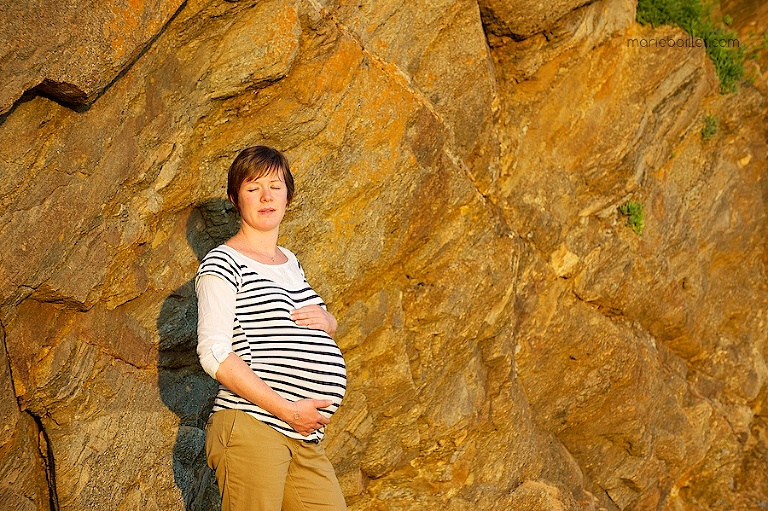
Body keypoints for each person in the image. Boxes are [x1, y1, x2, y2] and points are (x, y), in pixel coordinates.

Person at [195, 145, 347, 510]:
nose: (266, 197)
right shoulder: (223, 262)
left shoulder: (290, 262)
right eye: (253, 187)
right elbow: (214, 353)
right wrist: (286, 410)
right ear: (235, 199)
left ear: (288, 195)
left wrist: (330, 321)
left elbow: (309, 324)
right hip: (253, 425)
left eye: (275, 186)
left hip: (302, 436)